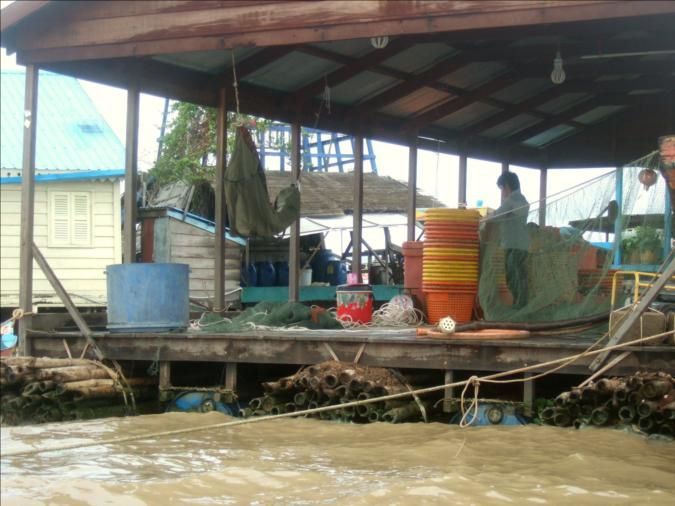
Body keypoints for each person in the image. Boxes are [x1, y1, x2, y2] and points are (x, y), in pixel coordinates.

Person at [489, 172, 530, 309]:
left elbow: (496, 215)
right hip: (521, 245)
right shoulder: (522, 199)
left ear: (506, 186)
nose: (502, 193)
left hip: (514, 246)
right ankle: (521, 305)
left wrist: (480, 220)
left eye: (501, 189)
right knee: (519, 277)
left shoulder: (512, 200)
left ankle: (520, 306)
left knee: (514, 278)